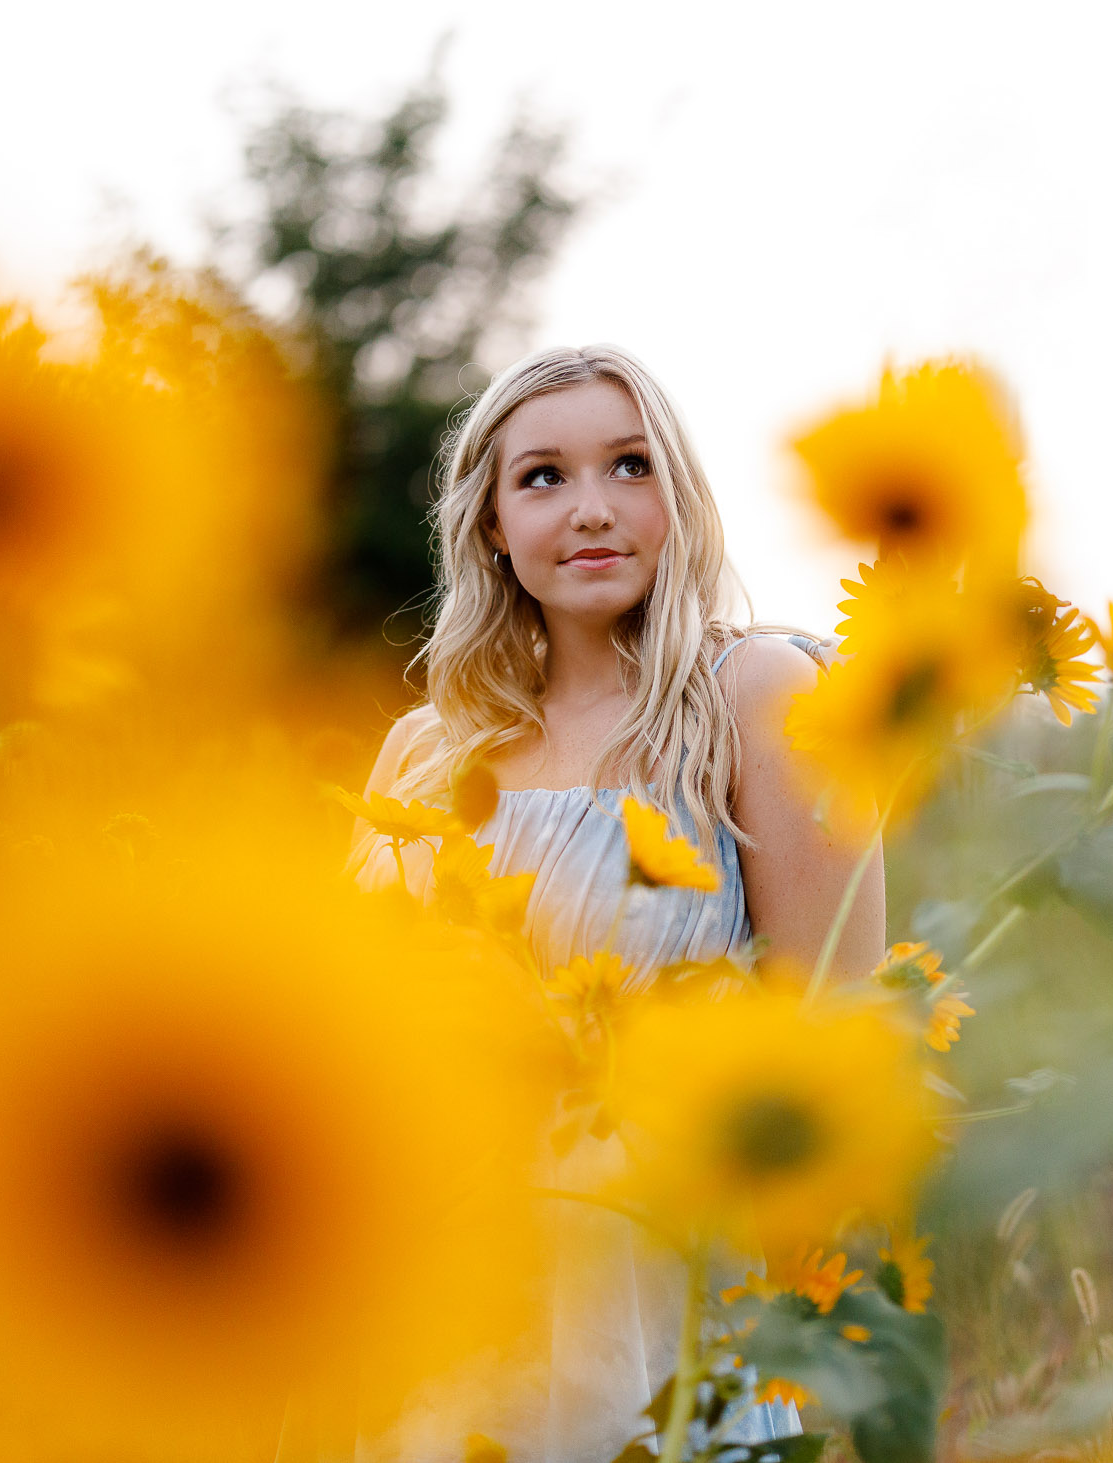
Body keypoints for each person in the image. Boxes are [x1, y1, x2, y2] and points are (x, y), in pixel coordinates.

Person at [347, 344, 884, 1461]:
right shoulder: (419, 753)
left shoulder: (760, 697)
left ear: (676, 498)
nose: (591, 510)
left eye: (628, 466)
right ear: (491, 523)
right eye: (542, 477)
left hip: (662, 1291)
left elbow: (832, 1032)